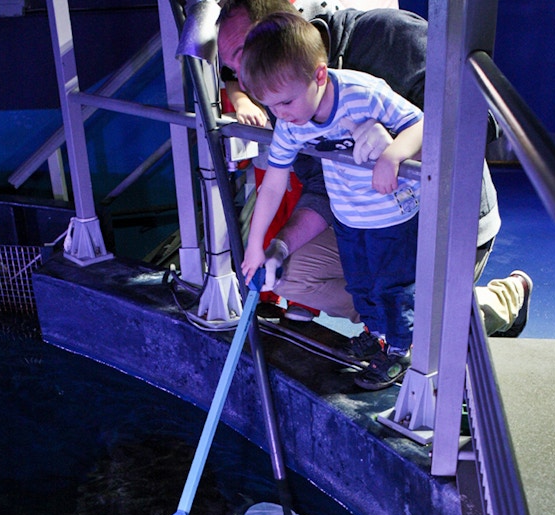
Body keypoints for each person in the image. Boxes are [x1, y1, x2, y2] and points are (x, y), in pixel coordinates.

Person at [216, 0, 532, 341]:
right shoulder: (285, 97)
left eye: (244, 52)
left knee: (418, 327)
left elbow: (483, 117)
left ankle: (501, 301)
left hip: (439, 216)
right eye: (233, 69)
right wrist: (278, 246)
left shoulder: (387, 36)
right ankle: (389, 327)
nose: (247, 84)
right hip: (365, 222)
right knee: (293, 276)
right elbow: (318, 187)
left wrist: (401, 146)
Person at [238, 12, 423, 389]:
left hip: (393, 215)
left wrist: (394, 154)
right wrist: (258, 246)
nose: (281, 115)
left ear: (319, 76)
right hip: (348, 216)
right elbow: (272, 185)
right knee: (360, 284)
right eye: (271, 106)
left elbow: (422, 123)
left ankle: (402, 348)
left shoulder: (362, 94)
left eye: (286, 102)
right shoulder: (291, 121)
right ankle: (376, 333)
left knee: (393, 286)